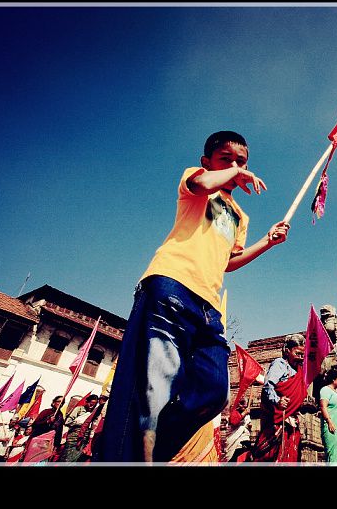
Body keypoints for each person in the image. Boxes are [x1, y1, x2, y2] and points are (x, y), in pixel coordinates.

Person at [100, 131, 289, 463]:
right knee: (154, 385)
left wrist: (267, 242)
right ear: (207, 162)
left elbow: (230, 261)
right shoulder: (197, 179)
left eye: (241, 162)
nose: (235, 166)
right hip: (171, 284)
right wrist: (233, 173)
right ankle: (135, 450)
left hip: (209, 306)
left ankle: (151, 441)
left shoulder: (240, 217)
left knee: (214, 390)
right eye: (226, 159)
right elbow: (201, 185)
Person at [253, 334, 307, 462]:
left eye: (302, 354)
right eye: (297, 353)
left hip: (292, 420)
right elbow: (268, 386)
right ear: (287, 351)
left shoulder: (300, 369)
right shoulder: (280, 364)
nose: (300, 357)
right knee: (271, 455)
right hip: (276, 418)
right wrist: (278, 400)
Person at [59, 394, 99, 462]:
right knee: (67, 456)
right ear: (86, 401)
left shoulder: (94, 413)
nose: (92, 406)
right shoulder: (79, 409)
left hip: (84, 438)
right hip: (73, 437)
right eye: (91, 403)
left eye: (94, 404)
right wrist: (80, 423)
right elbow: (68, 422)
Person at [225, 397, 252, 462]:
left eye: (244, 404)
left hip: (244, 441)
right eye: (241, 403)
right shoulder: (234, 412)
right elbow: (234, 422)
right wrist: (244, 413)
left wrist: (249, 426)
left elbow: (248, 426)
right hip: (235, 443)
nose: (244, 406)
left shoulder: (247, 415)